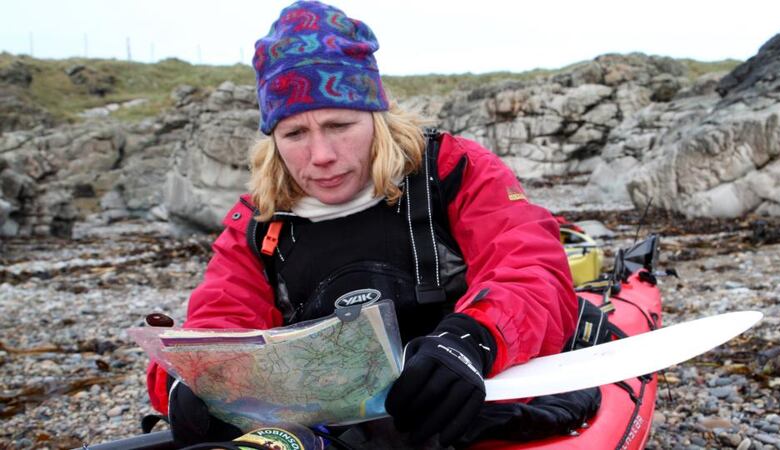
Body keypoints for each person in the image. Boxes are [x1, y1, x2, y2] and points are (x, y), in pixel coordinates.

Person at [146, 1, 579, 448]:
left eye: (340, 125)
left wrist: (472, 341)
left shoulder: (453, 171)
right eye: (294, 134)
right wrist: (188, 384)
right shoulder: (258, 223)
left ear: (376, 117)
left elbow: (532, 271)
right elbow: (219, 320)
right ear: (273, 140)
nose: (321, 156)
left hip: (469, 403)